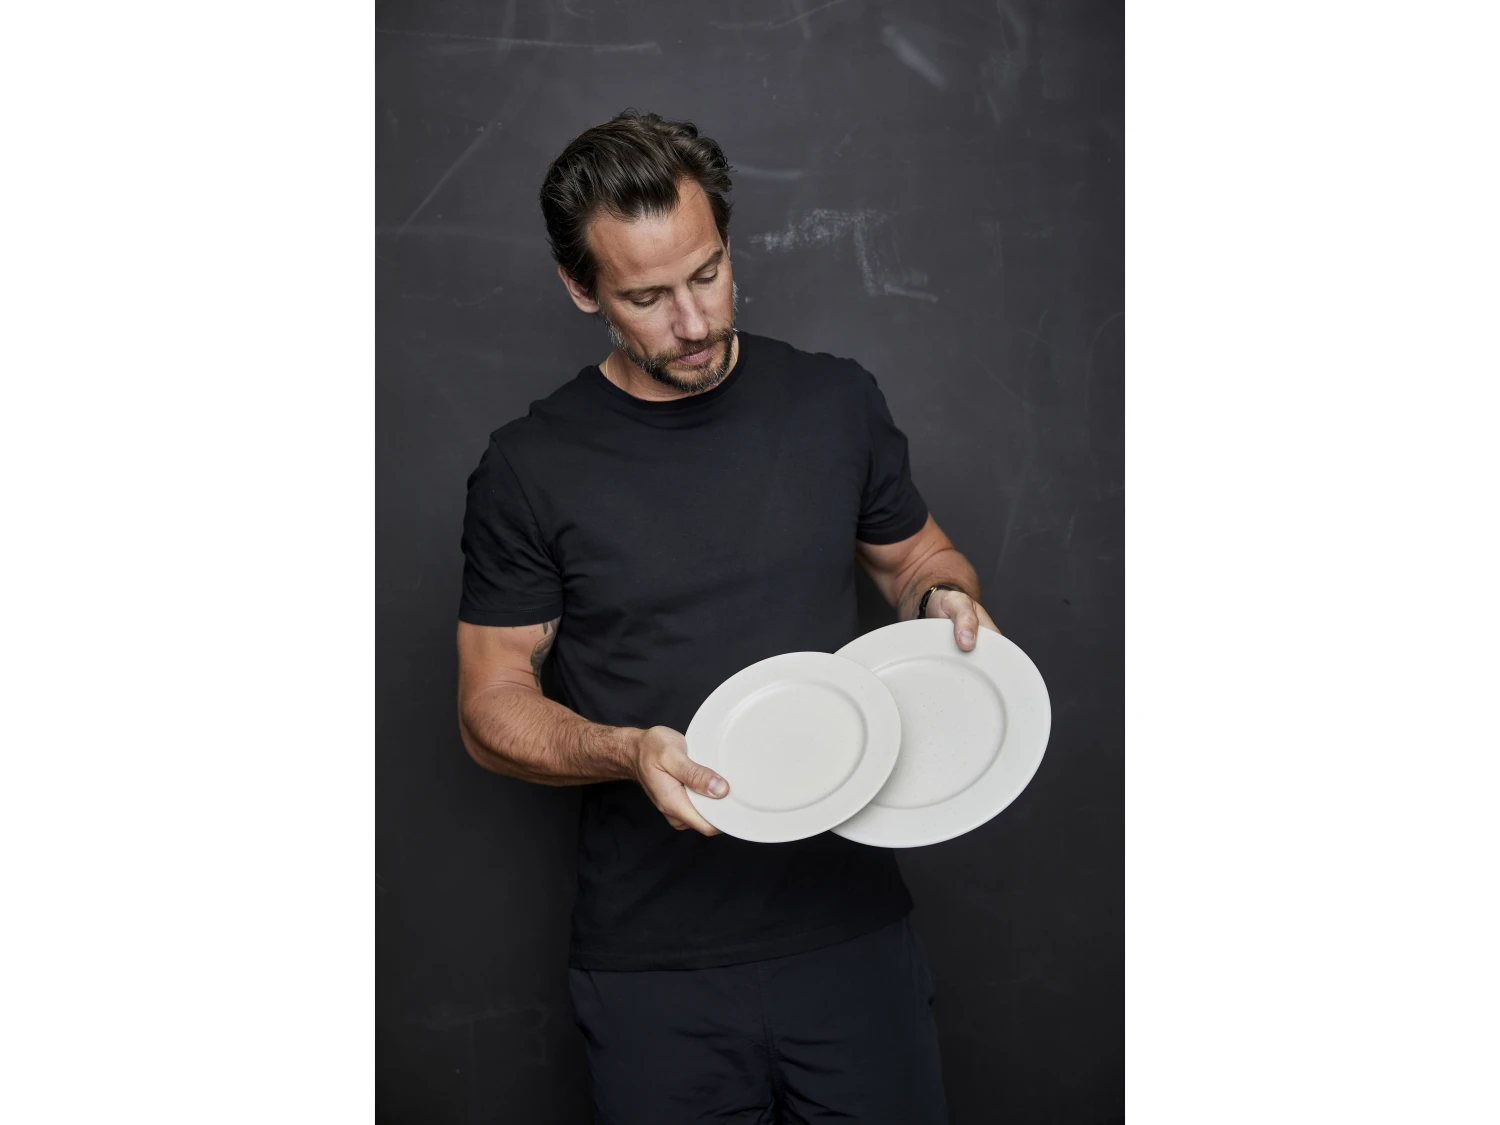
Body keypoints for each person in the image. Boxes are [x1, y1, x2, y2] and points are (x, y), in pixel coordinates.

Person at [456, 111, 1000, 1125]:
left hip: (850, 933)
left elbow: (917, 559)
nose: (694, 321)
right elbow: (490, 705)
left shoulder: (834, 402)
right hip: (653, 965)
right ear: (582, 288)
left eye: (707, 274)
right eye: (648, 297)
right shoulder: (530, 468)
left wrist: (945, 601)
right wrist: (626, 750)